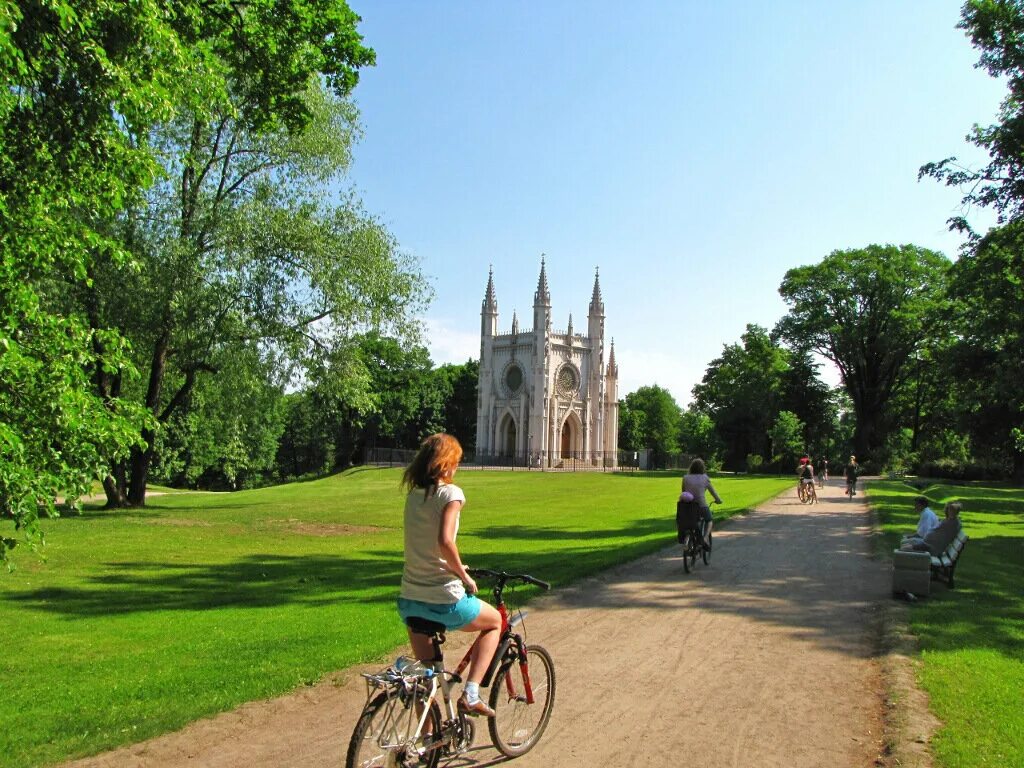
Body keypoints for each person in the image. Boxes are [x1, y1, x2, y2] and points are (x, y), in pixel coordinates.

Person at [396, 433, 502, 717]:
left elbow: (428, 546)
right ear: (445, 464)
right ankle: (471, 693)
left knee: (427, 679)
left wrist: (454, 566)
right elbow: (445, 541)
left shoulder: (413, 496)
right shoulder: (451, 494)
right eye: (455, 462)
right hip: (443, 597)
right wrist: (464, 577)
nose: (456, 468)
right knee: (495, 623)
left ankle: (427, 746)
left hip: (410, 598)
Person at [682, 458, 722, 548]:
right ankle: (705, 538)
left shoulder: (685, 478)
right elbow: (713, 492)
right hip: (701, 506)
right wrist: (718, 500)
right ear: (702, 468)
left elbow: (684, 492)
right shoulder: (705, 478)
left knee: (693, 521)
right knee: (709, 520)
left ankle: (691, 539)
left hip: (688, 506)